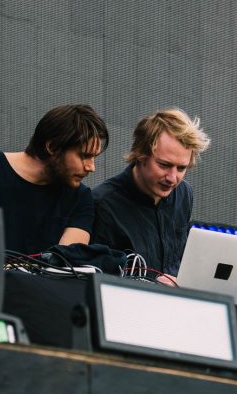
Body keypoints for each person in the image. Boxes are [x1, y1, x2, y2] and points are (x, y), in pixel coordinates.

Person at [0, 104, 109, 255]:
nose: (91, 167)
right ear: (53, 147)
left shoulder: (80, 198)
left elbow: (65, 264)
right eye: (84, 156)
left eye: (94, 157)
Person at [90, 108, 210, 282]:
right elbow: (97, 277)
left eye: (181, 168)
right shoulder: (103, 203)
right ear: (141, 154)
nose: (172, 178)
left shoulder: (184, 193)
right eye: (164, 165)